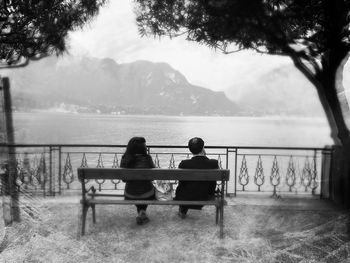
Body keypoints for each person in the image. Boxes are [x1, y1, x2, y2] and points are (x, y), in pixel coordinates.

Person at [174, 137, 219, 218]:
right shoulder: (213, 163)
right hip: (205, 196)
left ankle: (183, 210)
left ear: (190, 150)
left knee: (186, 187)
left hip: (185, 197)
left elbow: (181, 182)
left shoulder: (184, 164)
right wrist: (205, 156)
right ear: (203, 148)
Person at [120, 137, 155, 225]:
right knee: (146, 189)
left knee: (136, 188)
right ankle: (142, 210)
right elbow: (152, 177)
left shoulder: (125, 159)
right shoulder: (147, 158)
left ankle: (141, 211)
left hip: (130, 194)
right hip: (147, 194)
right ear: (143, 148)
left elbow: (124, 179)